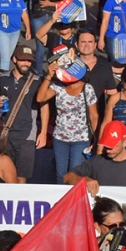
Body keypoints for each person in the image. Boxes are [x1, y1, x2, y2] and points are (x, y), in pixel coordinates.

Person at [37, 56, 99, 184]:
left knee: (74, 174)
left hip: (81, 139)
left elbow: (94, 116)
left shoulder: (87, 88)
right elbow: (40, 98)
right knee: (60, 175)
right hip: (60, 138)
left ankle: (74, 202)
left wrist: (96, 139)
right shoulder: (57, 86)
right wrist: (49, 76)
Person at [0, 45, 46, 183]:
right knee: (4, 174)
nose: (26, 64)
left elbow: (44, 106)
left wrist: (43, 132)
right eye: (23, 60)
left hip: (27, 134)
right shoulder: (3, 78)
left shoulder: (36, 81)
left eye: (29, 61)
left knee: (22, 176)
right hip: (6, 133)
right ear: (14, 59)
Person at [63, 120, 126, 193]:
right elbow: (67, 177)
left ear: (125, 143)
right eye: (106, 145)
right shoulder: (97, 162)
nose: (108, 150)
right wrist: (84, 180)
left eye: (113, 146)